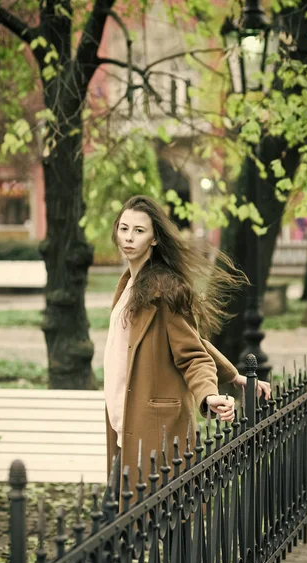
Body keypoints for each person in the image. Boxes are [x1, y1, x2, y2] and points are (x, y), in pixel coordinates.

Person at [102, 195, 271, 513]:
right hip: (121, 419)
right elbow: (194, 339)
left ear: (154, 238)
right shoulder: (128, 284)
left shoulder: (165, 290)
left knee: (154, 526)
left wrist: (209, 394)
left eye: (138, 230)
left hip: (152, 424)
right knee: (130, 529)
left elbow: (191, 353)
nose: (128, 237)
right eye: (124, 228)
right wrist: (231, 373)